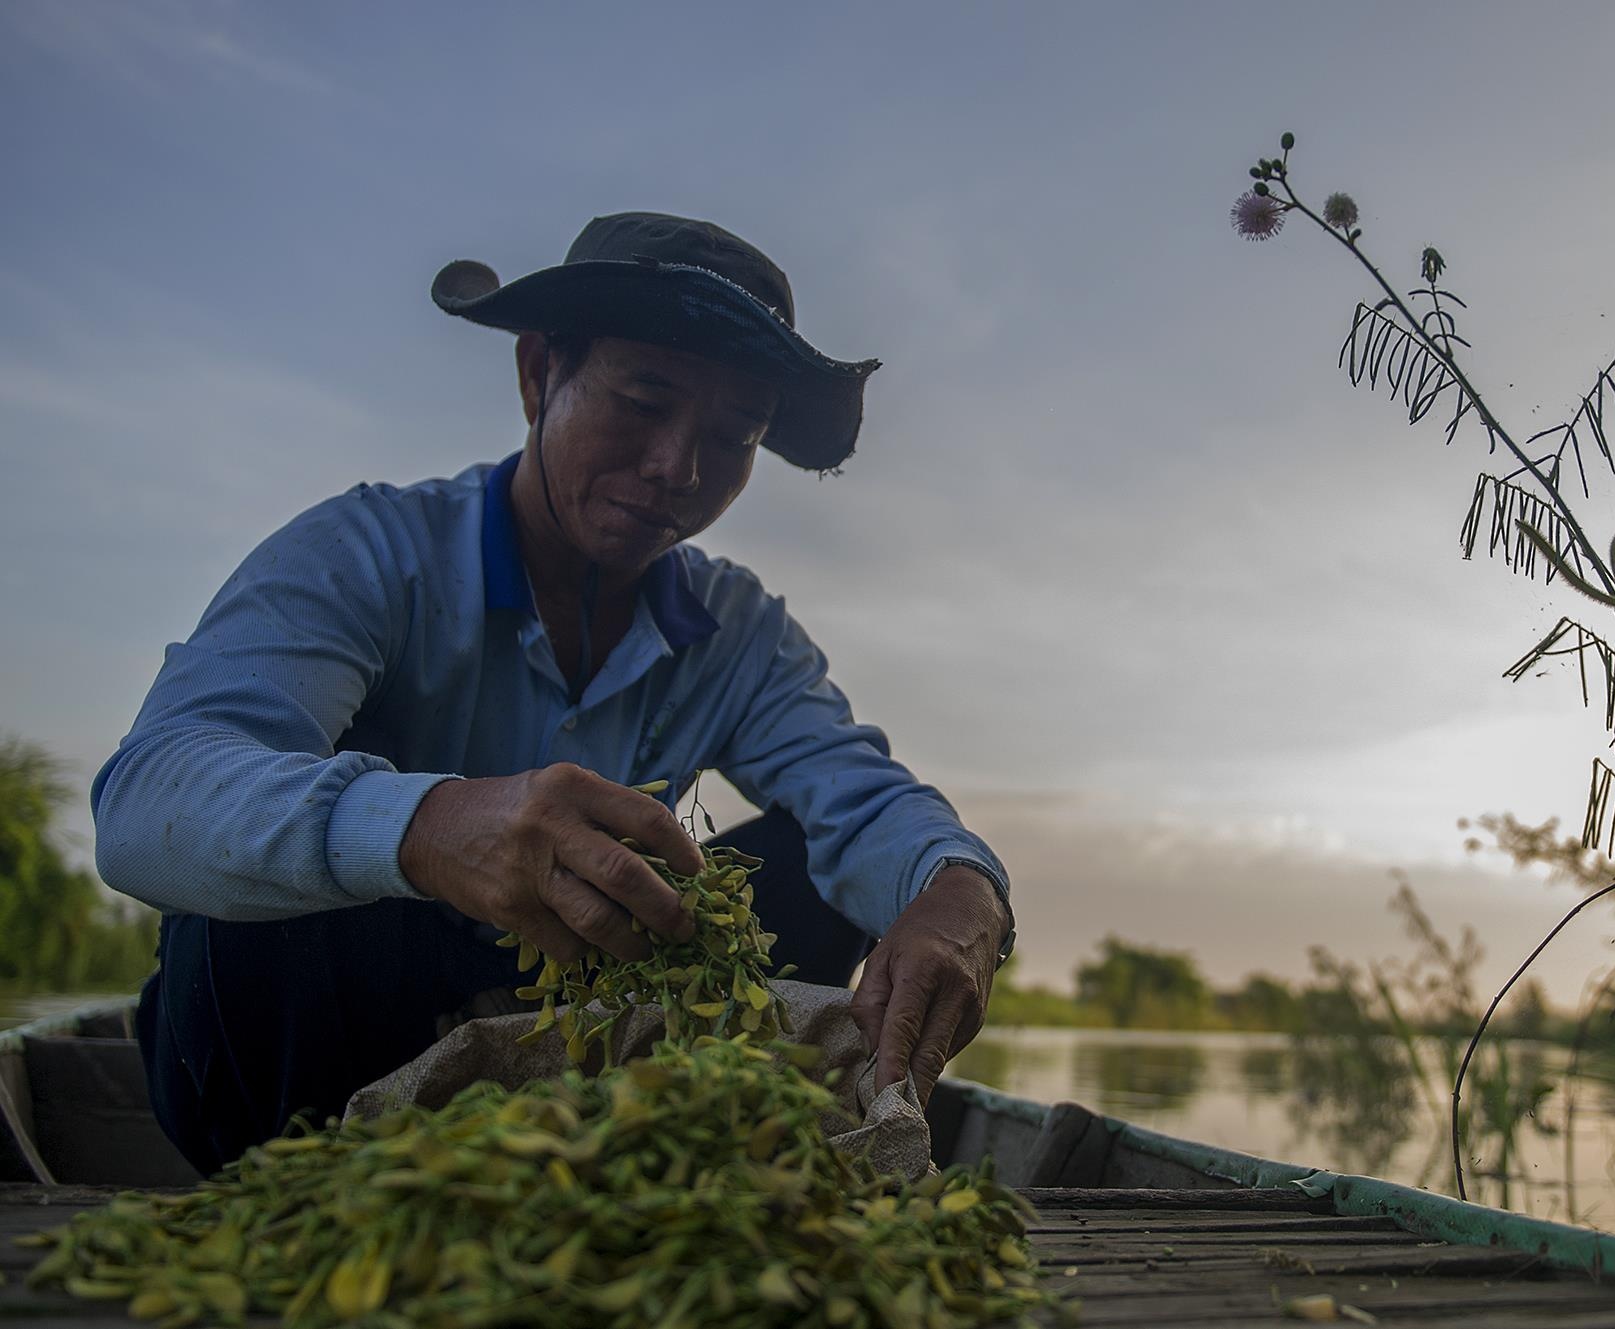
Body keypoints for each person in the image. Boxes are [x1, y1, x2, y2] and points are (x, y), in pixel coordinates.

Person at [90, 212, 1015, 1176]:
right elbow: (149, 794)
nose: (679, 470)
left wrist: (961, 888)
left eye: (733, 434)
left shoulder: (736, 632)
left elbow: (860, 800)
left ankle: (647, 1153)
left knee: (812, 862)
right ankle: (307, 1190)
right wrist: (425, 824)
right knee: (265, 890)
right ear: (539, 375)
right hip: (313, 1050)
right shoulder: (368, 554)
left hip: (570, 1039)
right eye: (644, 400)